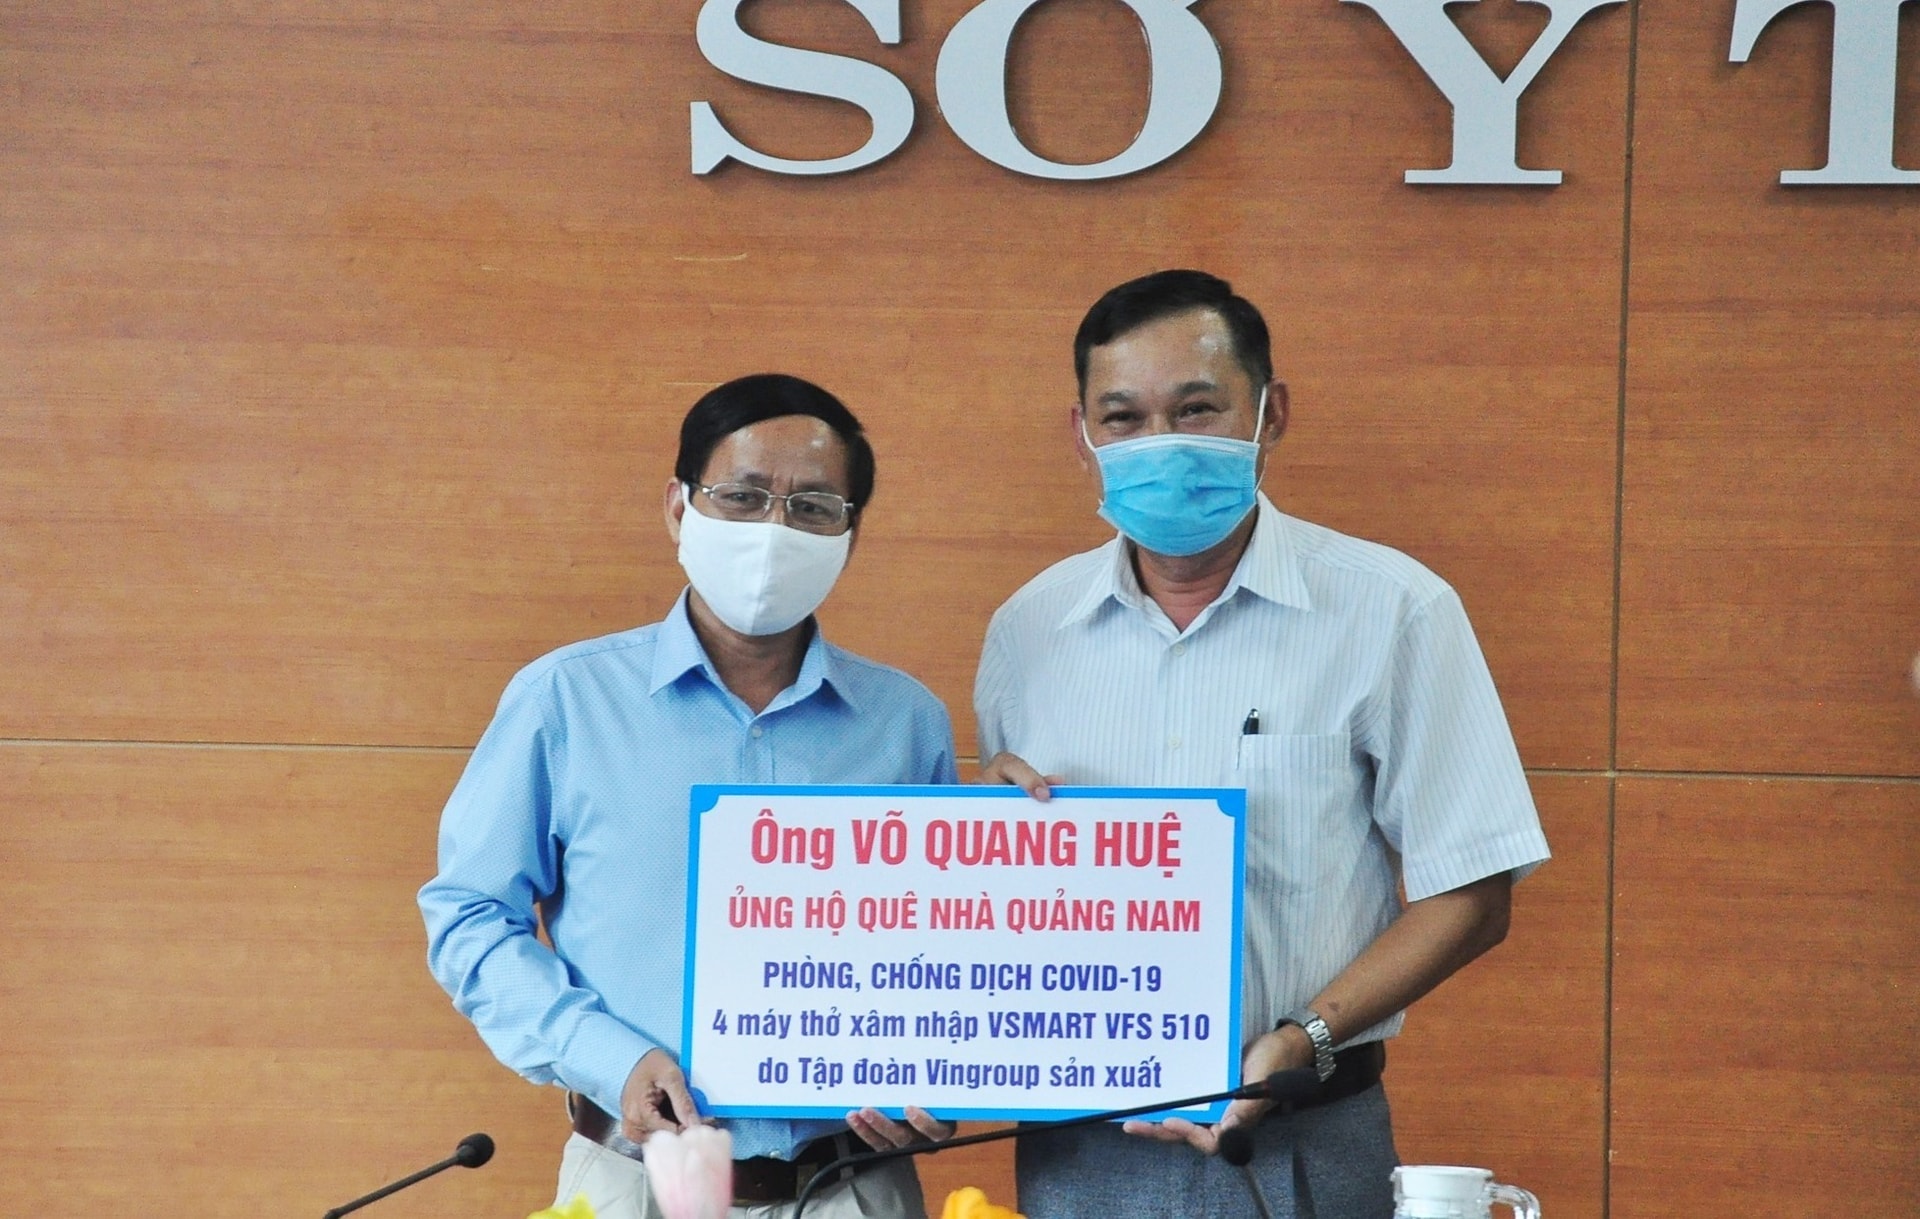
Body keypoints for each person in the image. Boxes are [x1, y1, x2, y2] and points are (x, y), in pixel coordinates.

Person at [974, 271, 1551, 1219]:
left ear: (1269, 413)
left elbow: (1476, 893)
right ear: (1082, 433)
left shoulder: (1393, 609)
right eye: (1124, 418)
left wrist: (1300, 1039)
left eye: (1197, 408)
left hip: (1304, 1140)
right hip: (1076, 1153)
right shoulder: (1028, 630)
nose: (1161, 445)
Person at [421, 374, 957, 1219]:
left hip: (853, 1187)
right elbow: (470, 917)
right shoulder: (567, 699)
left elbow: (951, 946)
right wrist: (606, 1055)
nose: (774, 531)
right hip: (641, 1181)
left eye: (814, 508)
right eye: (741, 496)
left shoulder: (906, 721)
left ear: (850, 536)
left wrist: (942, 1076)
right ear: (678, 507)